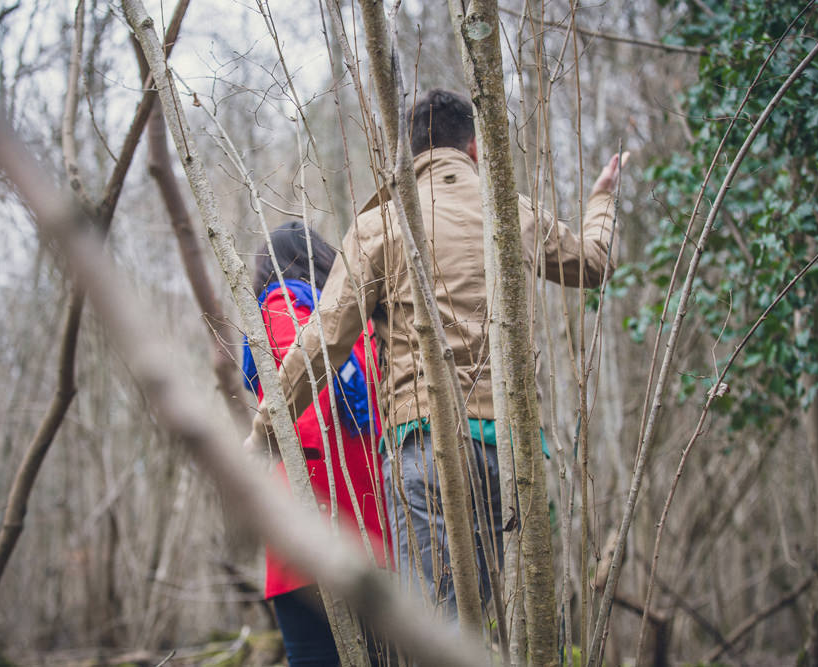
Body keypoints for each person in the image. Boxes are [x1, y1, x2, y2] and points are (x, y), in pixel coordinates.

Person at [245, 89, 626, 618]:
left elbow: (322, 342)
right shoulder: (512, 213)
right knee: (497, 625)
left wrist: (263, 429)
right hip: (513, 451)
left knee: (435, 626)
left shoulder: (382, 224)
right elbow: (593, 265)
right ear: (472, 148)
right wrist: (602, 200)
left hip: (424, 443)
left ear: (406, 150)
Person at [242, 221, 390, 666]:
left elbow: (303, 410)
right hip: (368, 528)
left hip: (315, 519)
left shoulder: (281, 304)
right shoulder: (354, 322)